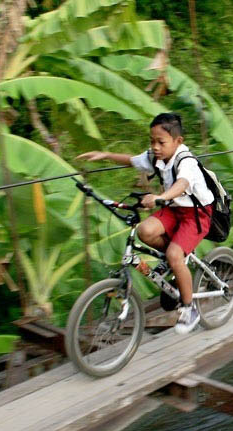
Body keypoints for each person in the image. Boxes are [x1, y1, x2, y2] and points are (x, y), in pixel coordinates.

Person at [77, 112, 214, 335]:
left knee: (174, 255)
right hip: (173, 209)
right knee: (145, 231)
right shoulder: (155, 158)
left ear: (178, 141)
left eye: (161, 142)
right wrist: (104, 155)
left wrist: (160, 198)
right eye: (152, 141)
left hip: (196, 214)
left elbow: (182, 184)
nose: (155, 147)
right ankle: (175, 256)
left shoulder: (186, 161)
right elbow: (132, 161)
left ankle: (189, 309)